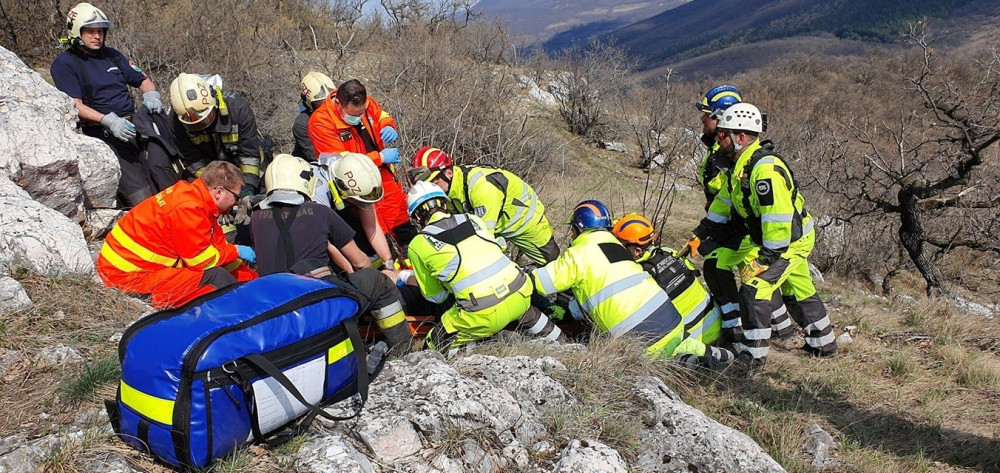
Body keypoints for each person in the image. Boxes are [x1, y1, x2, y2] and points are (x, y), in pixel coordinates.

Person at [691, 103, 837, 367]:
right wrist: (701, 233)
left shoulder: (764, 171)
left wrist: (764, 260)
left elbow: (778, 222)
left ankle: (752, 356)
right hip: (782, 240)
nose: (717, 138)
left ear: (741, 137)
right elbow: (723, 203)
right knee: (800, 287)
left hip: (788, 242)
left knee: (754, 288)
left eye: (722, 134)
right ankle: (824, 344)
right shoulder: (740, 167)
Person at [531, 201, 731, 367]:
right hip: (675, 323)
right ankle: (719, 356)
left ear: (578, 229)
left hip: (639, 335)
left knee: (656, 355)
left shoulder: (578, 254)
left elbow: (542, 283)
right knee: (678, 344)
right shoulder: (636, 251)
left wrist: (520, 275)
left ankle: (685, 364)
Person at [250, 154, 412, 355]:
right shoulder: (320, 211)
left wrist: (387, 261)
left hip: (274, 307)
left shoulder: (255, 218)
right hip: (317, 302)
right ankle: (403, 349)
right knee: (377, 282)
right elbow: (360, 262)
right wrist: (379, 276)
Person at [406, 181, 560, 354]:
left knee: (433, 345)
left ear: (417, 217)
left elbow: (437, 297)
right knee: (527, 313)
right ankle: (562, 341)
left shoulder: (418, 245)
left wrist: (407, 277)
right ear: (444, 203)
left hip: (482, 311)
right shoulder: (472, 219)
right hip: (520, 292)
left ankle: (477, 347)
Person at [50, 2, 176, 207]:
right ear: (76, 32)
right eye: (90, 31)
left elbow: (141, 79)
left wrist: (151, 94)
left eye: (100, 31)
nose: (97, 36)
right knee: (142, 198)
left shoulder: (113, 56)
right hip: (105, 134)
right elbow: (74, 105)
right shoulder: (65, 64)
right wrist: (107, 120)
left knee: (168, 183)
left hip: (135, 127)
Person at [96, 161, 258, 309]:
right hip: (125, 278)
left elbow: (217, 248)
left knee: (226, 277)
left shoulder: (197, 200)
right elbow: (203, 261)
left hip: (135, 268)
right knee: (216, 280)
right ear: (219, 192)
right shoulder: (189, 209)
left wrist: (254, 280)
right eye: (236, 197)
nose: (237, 203)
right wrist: (236, 251)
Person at [308, 79, 416, 248]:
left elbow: (381, 115)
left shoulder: (365, 102)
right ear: (338, 103)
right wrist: (379, 157)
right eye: (353, 115)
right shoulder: (320, 122)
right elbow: (342, 162)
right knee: (376, 236)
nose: (359, 118)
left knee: (403, 227)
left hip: (383, 177)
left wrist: (388, 126)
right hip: (354, 188)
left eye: (361, 114)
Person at [410, 146, 558, 265]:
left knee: (553, 265)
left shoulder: (481, 188)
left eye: (434, 182)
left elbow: (484, 238)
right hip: (499, 225)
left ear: (448, 173)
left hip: (525, 223)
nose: (431, 188)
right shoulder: (449, 191)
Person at [169, 73, 265, 197]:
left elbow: (249, 155)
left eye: (206, 119)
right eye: (193, 125)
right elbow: (192, 159)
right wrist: (213, 185)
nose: (202, 126)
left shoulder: (238, 109)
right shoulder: (176, 121)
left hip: (242, 165)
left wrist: (248, 187)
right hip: (209, 170)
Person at [292, 71, 335, 161]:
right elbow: (316, 157)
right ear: (309, 104)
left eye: (330, 100)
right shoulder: (302, 124)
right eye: (320, 104)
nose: (327, 107)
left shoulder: (343, 112)